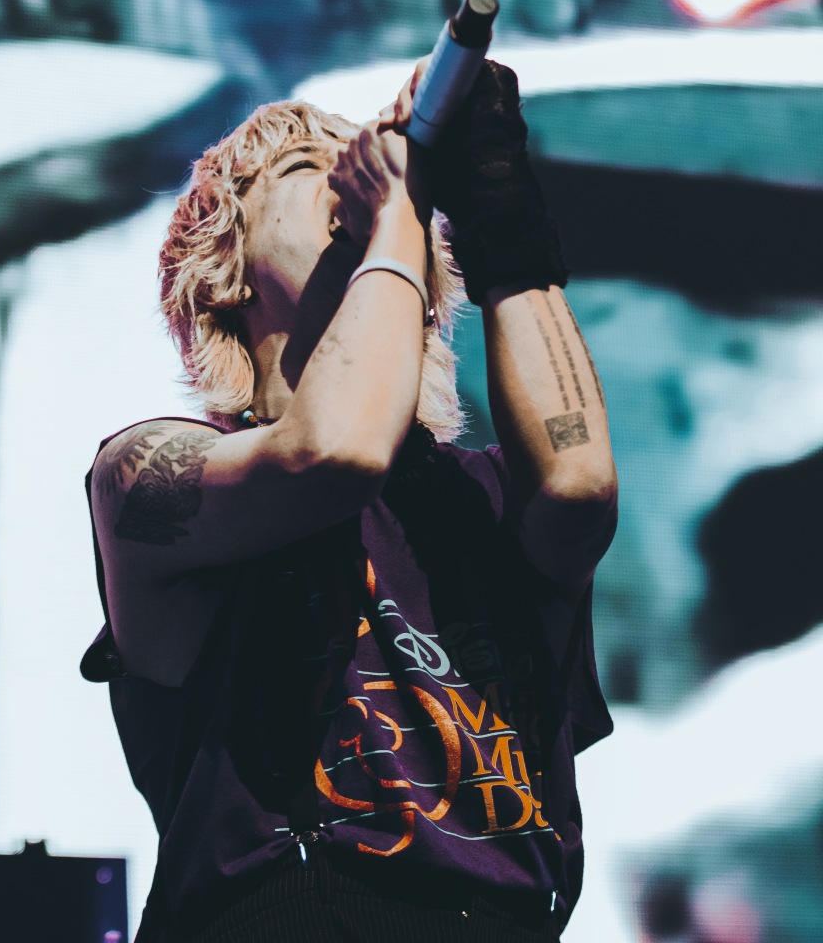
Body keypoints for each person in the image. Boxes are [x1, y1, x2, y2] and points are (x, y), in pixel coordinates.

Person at [81, 60, 618, 942]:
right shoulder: (147, 473)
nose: (353, 175)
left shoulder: (486, 493)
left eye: (361, 162)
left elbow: (579, 486)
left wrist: (496, 205)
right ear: (226, 271)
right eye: (306, 167)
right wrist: (397, 216)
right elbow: (333, 454)